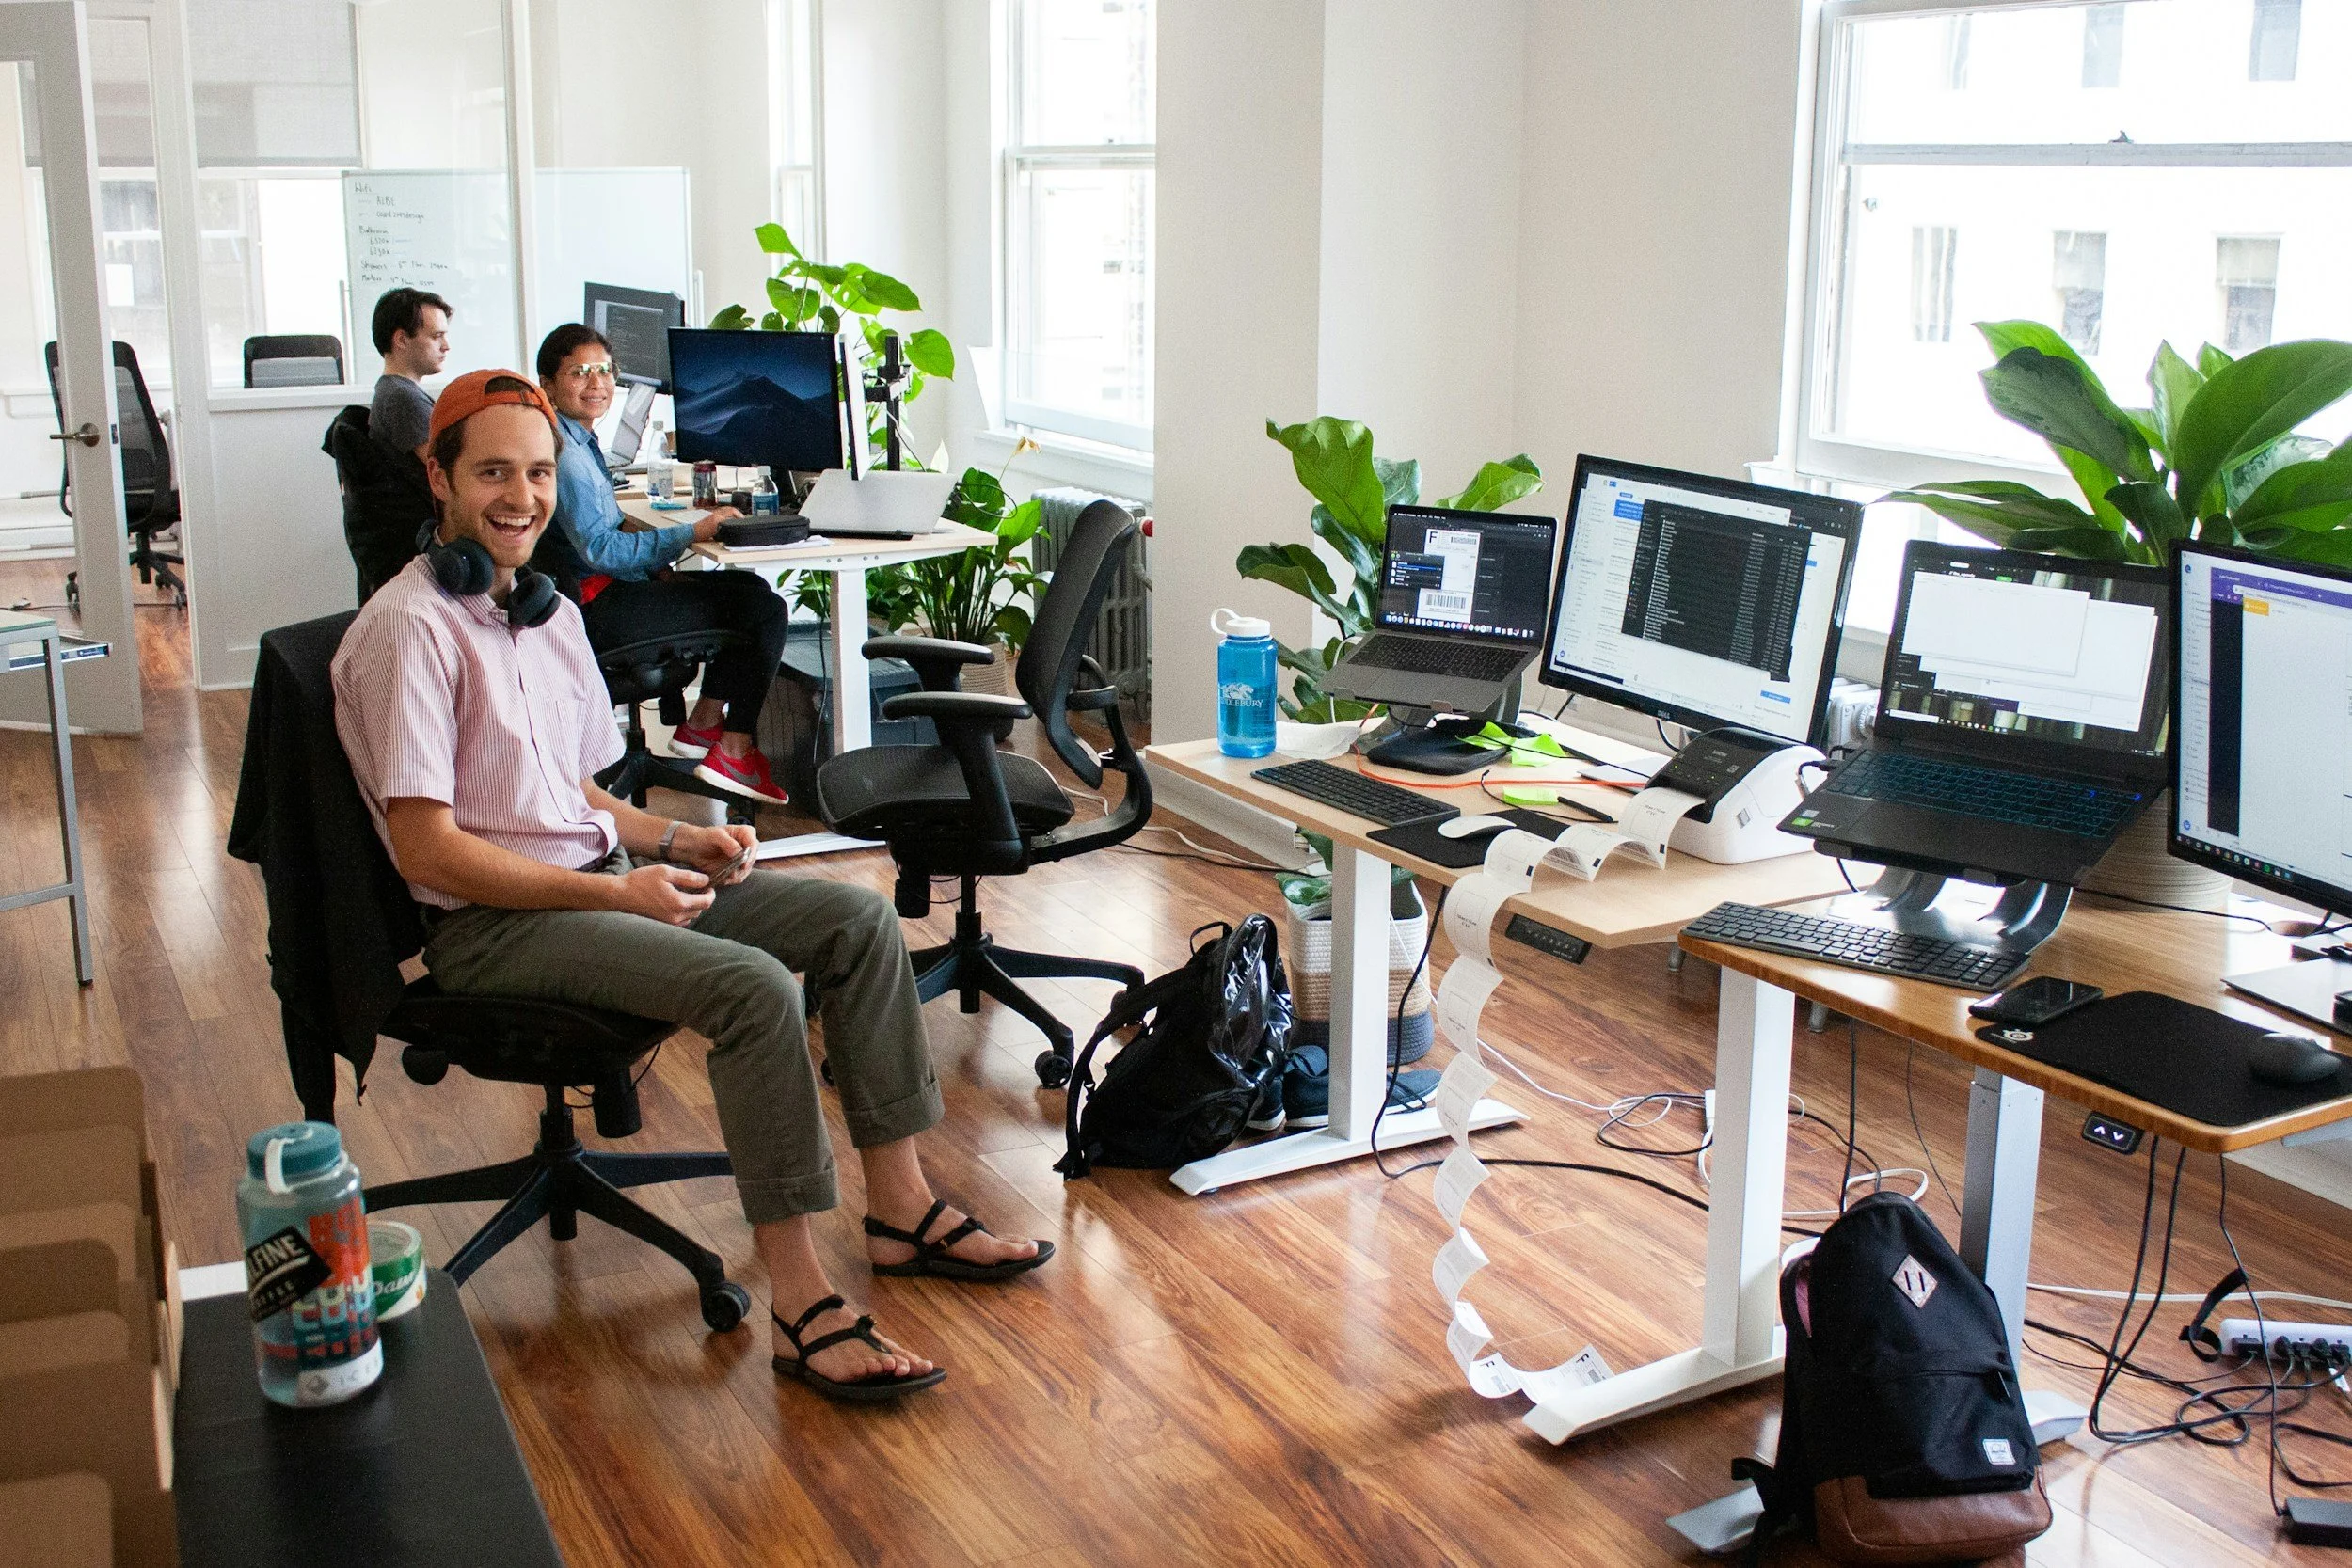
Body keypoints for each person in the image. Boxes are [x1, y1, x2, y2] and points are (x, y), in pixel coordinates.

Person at [332, 370, 1049, 1403]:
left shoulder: (541, 612)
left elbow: (572, 792)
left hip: (594, 873)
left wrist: (673, 836)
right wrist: (618, 896)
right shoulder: (411, 630)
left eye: (538, 473)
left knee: (851, 916)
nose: (522, 497)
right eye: (491, 472)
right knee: (753, 986)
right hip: (493, 922)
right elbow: (427, 851)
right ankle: (803, 1306)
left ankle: (901, 1208)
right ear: (436, 478)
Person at [534, 324, 795, 806]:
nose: (597, 383)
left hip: (592, 596)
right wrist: (692, 532)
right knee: (763, 609)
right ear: (548, 384)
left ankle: (703, 727)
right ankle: (731, 746)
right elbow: (602, 551)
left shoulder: (573, 438)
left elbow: (604, 534)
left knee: (748, 590)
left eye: (604, 371)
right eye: (579, 373)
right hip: (598, 610)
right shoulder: (566, 455)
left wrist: (659, 558)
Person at [370, 287, 452, 460]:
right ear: (402, 340)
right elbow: (446, 473)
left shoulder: (391, 390)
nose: (446, 346)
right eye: (437, 336)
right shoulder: (403, 398)